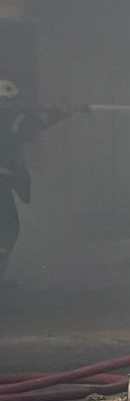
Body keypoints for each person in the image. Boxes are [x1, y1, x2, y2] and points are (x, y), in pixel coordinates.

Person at [0, 79, 78, 283]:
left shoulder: (11, 113)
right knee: (8, 227)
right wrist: (59, 113)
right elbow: (32, 125)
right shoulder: (10, 115)